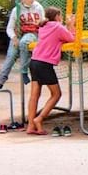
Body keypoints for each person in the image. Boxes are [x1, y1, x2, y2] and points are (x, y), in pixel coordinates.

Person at [25, 7, 75, 135]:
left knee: (34, 95)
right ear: (57, 16)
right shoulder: (58, 27)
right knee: (56, 94)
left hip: (34, 61)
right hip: (44, 64)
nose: (62, 18)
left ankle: (30, 126)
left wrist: (66, 26)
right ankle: (39, 119)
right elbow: (72, 38)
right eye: (61, 16)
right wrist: (71, 25)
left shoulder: (43, 26)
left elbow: (58, 35)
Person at [0, 0, 44, 89]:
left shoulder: (38, 7)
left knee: (24, 42)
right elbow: (9, 28)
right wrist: (14, 38)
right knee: (11, 55)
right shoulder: (16, 10)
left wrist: (40, 22)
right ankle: (1, 81)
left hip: (32, 33)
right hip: (19, 34)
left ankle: (24, 71)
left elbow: (43, 22)